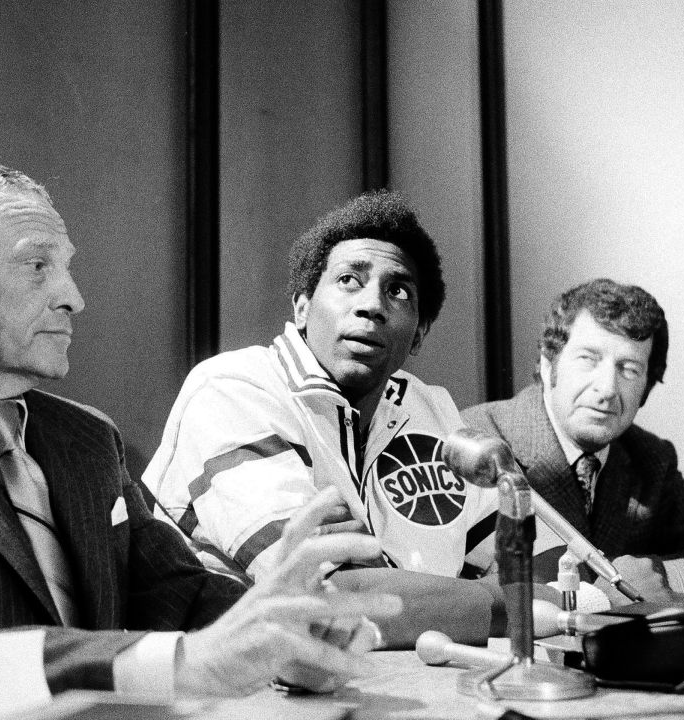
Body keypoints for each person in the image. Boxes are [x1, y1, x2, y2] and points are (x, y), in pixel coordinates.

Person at [0, 159, 400, 698]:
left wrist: (292, 635)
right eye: (37, 266)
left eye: (68, 266)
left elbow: (182, 594)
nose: (73, 295)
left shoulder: (87, 438)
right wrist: (175, 665)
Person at [145, 191, 550, 649]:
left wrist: (509, 594)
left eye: (398, 291)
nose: (372, 305)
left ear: (418, 334)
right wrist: (519, 605)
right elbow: (335, 599)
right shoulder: (234, 387)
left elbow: (536, 557)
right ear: (301, 308)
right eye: (348, 280)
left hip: (405, 680)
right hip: (236, 691)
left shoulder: (430, 406)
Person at [461, 278, 684, 607]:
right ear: (546, 364)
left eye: (629, 369)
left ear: (646, 388)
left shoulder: (650, 456)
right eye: (588, 359)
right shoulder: (479, 441)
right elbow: (514, 583)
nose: (607, 389)